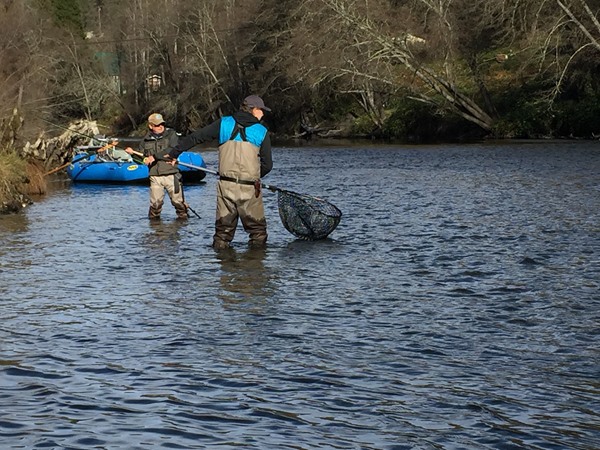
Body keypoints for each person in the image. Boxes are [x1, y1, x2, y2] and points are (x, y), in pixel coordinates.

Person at [160, 95, 273, 249]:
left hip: (226, 187)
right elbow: (267, 165)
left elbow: (196, 137)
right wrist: (255, 177)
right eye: (261, 110)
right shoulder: (262, 131)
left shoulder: (224, 124)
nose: (263, 114)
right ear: (254, 110)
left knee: (222, 233)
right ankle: (253, 267)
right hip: (250, 188)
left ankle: (224, 268)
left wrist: (174, 153)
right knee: (257, 232)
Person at [125, 113, 188, 220]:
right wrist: (134, 155)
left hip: (171, 174)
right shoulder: (145, 140)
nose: (161, 126)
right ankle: (155, 228)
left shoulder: (171, 135)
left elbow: (172, 150)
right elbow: (141, 159)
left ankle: (183, 223)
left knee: (178, 202)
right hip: (155, 176)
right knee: (155, 204)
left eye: (162, 124)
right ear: (150, 126)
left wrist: (154, 157)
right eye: (157, 125)